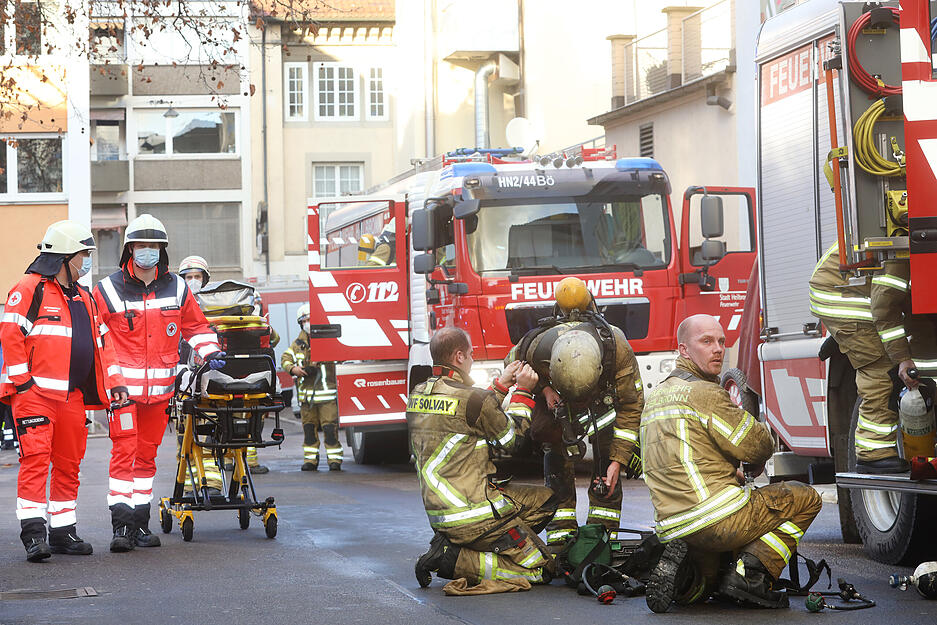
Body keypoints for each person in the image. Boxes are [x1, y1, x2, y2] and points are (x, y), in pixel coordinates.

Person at [641, 314, 822, 612]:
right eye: (707, 341)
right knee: (804, 497)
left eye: (722, 341)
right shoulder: (705, 393)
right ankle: (751, 577)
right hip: (716, 518)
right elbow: (757, 444)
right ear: (684, 350)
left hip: (672, 524)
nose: (718, 349)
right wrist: (755, 456)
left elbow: (686, 459)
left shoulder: (657, 396)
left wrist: (730, 472)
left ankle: (690, 582)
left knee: (710, 585)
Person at [93, 214, 223, 552]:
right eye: (141, 245)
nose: (146, 251)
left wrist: (210, 353)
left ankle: (140, 526)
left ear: (162, 250)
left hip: (160, 394)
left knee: (146, 459)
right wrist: (112, 379)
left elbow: (195, 327)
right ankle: (121, 529)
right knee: (124, 456)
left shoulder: (177, 287)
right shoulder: (107, 290)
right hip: (123, 394)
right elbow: (98, 338)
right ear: (130, 249)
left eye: (153, 246)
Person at [0, 221, 128, 562]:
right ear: (64, 256)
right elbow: (10, 335)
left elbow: (103, 343)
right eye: (83, 255)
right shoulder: (29, 288)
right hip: (33, 395)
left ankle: (63, 531)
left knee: (69, 465)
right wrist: (23, 383)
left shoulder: (84, 296)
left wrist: (115, 382)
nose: (87, 261)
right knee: (36, 463)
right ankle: (33, 535)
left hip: (72, 398)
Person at [409, 327, 557, 590]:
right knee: (543, 569)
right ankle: (452, 559)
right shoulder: (474, 399)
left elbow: (470, 415)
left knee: (545, 501)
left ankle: (479, 544)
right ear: (458, 357)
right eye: (470, 354)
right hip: (474, 513)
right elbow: (513, 442)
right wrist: (522, 392)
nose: (473, 359)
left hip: (441, 512)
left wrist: (500, 386)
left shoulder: (419, 393)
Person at [508, 276, 644, 549]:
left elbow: (631, 406)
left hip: (603, 415)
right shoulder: (535, 346)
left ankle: (601, 543)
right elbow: (511, 366)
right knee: (556, 470)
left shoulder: (615, 347)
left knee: (607, 475)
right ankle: (561, 544)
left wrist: (618, 460)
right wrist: (545, 389)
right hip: (560, 418)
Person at [809, 243, 910, 473]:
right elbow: (885, 309)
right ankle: (873, 455)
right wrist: (902, 357)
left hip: (850, 290)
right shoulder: (903, 250)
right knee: (882, 366)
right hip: (839, 294)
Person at [870, 257, 937, 465]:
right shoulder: (903, 257)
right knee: (920, 407)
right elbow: (884, 307)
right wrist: (902, 358)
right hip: (926, 352)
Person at [281, 304, 342, 471]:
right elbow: (285, 359)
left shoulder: (328, 340)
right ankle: (310, 461)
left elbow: (341, 360)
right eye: (305, 321)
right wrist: (293, 369)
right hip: (307, 398)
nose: (308, 323)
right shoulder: (297, 344)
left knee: (330, 429)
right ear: (301, 323)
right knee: (308, 429)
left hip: (327, 396)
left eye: (310, 320)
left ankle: (334, 460)